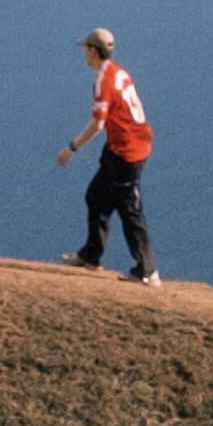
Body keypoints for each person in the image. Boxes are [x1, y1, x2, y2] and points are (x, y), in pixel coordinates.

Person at [57, 27, 161, 287]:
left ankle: (147, 271)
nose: (84, 54)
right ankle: (91, 255)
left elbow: (98, 123)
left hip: (127, 152)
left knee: (130, 211)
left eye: (85, 49)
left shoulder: (104, 80)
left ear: (92, 51)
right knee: (96, 196)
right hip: (122, 147)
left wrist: (72, 148)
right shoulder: (119, 72)